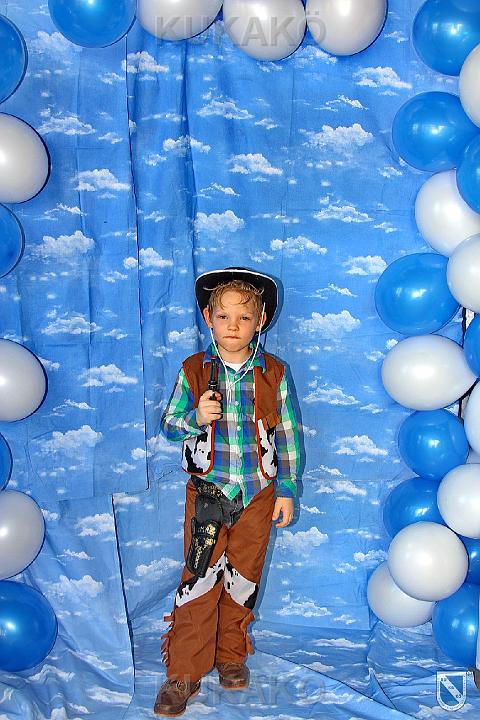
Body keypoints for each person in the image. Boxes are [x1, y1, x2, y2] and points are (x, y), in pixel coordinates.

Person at [154, 267, 301, 716]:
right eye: (223, 316)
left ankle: (231, 655)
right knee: (200, 578)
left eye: (244, 318)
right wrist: (196, 417)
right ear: (208, 318)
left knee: (244, 578)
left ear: (260, 321)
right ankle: (184, 672)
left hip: (258, 494)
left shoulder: (274, 373)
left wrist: (286, 487)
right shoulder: (193, 370)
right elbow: (168, 425)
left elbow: (287, 433)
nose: (232, 326)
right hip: (208, 493)